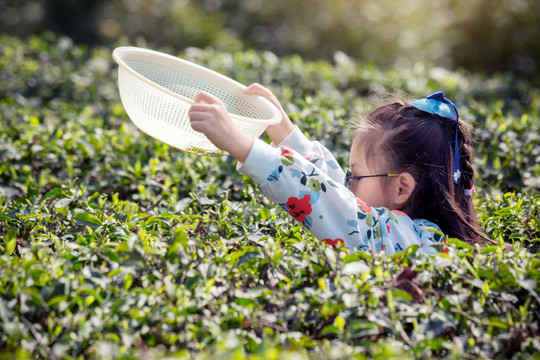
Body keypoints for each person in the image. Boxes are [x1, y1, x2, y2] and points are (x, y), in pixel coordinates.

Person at [187, 83, 487, 254]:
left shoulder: (413, 241)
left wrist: (241, 144)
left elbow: (336, 206)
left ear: (401, 188)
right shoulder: (410, 231)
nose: (348, 183)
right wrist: (282, 130)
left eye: (355, 175)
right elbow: (337, 192)